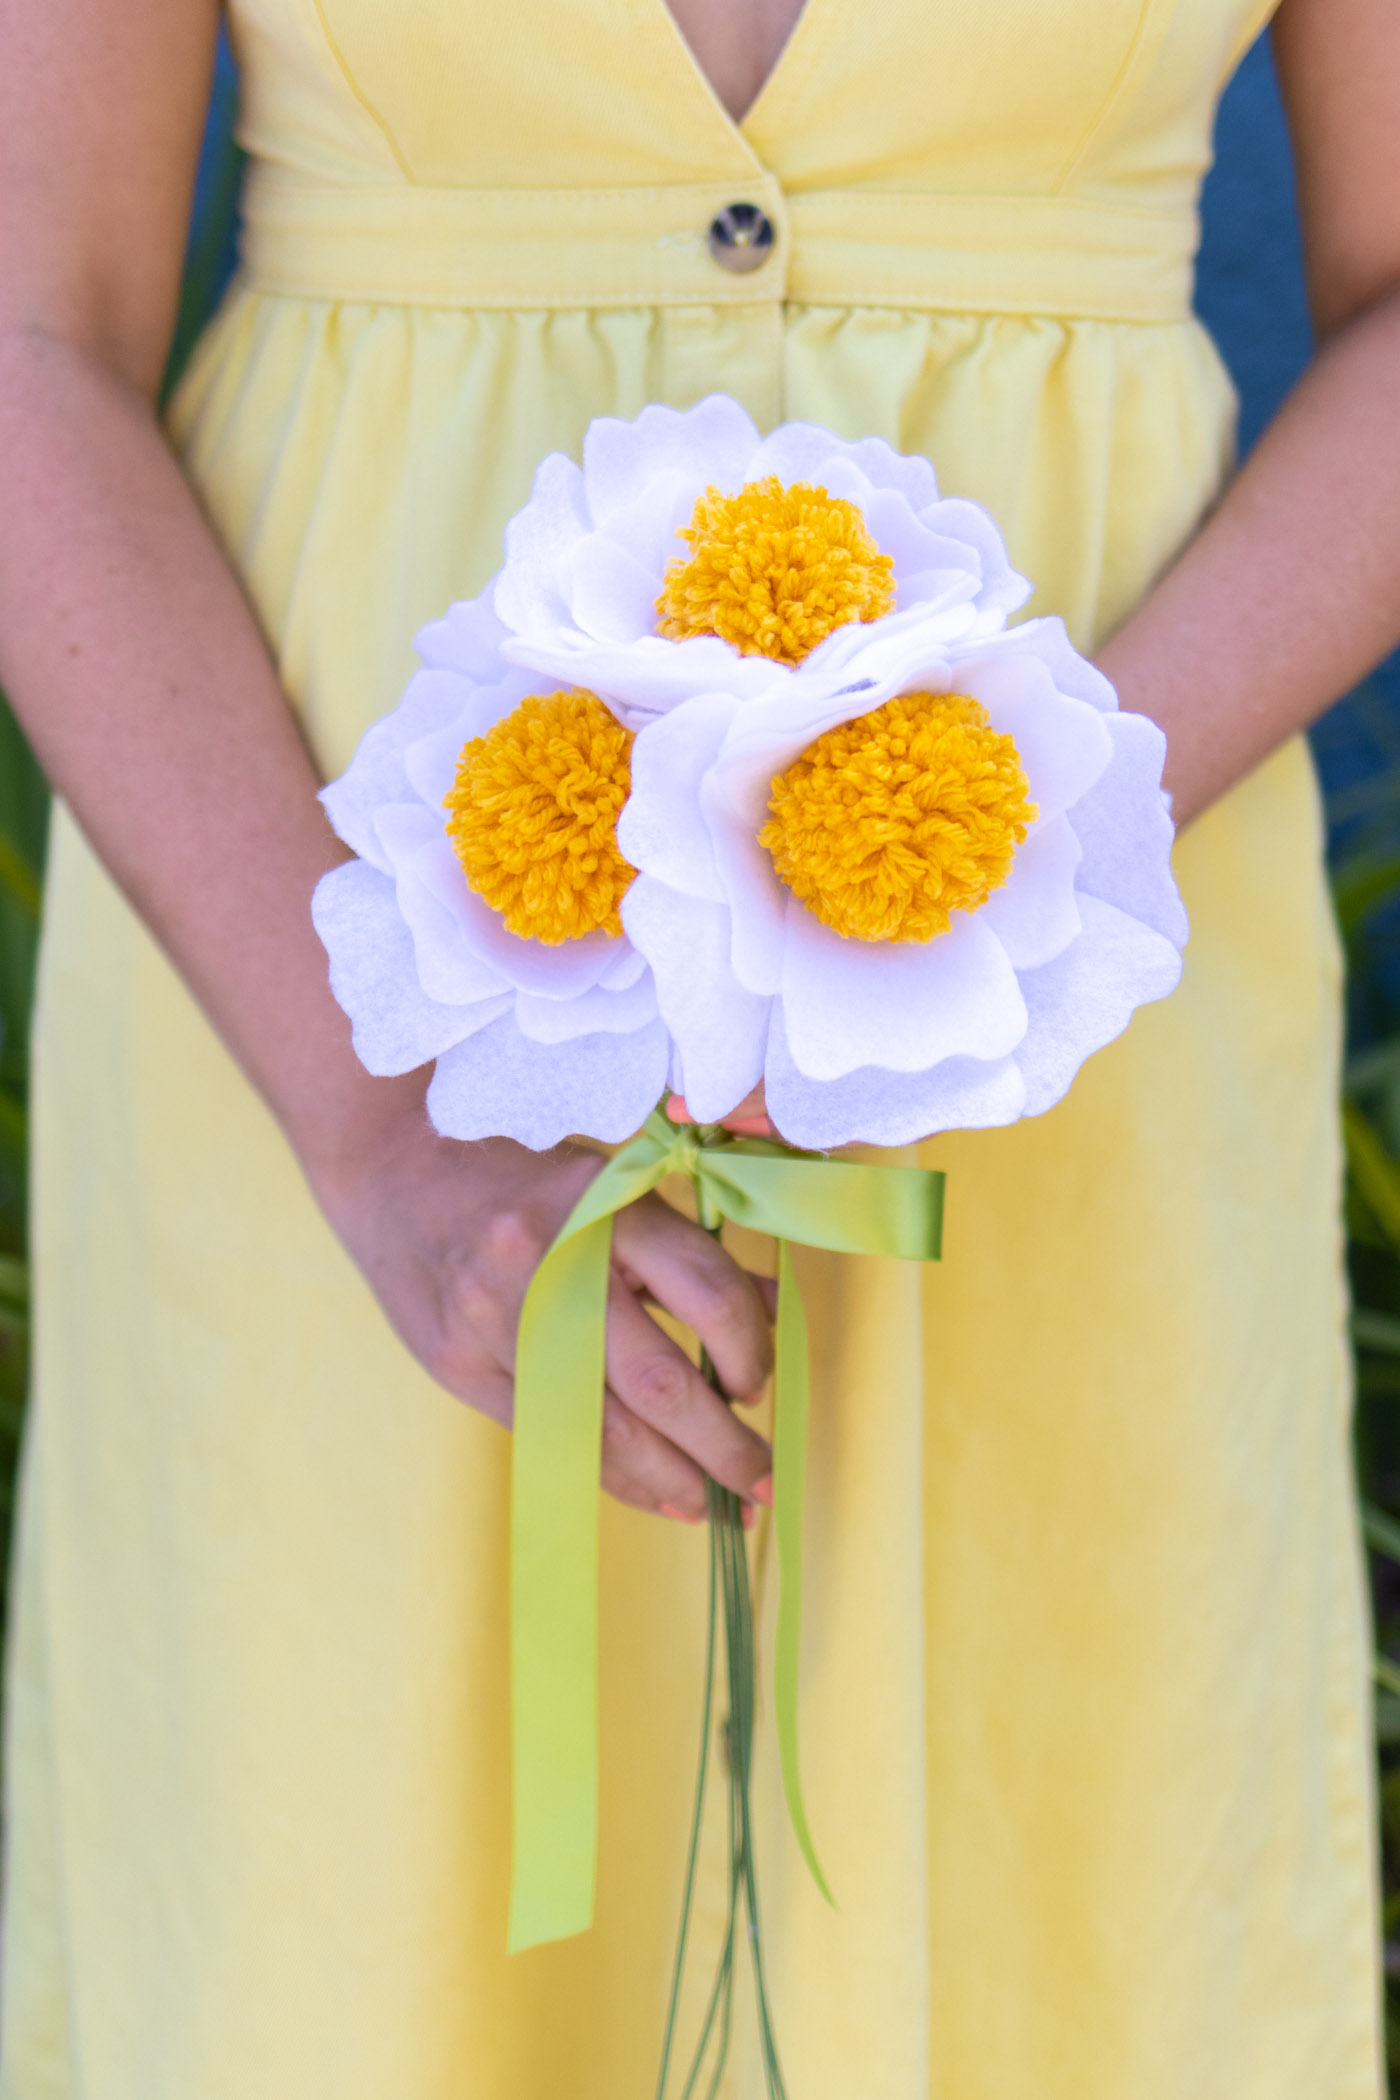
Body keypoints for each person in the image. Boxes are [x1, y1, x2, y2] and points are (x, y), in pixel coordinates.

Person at [0, 0, 1396, 2091]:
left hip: (1078, 1017)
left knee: (1067, 1930)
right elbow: (30, 330)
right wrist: (379, 1122)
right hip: (310, 962)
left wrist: (1012, 840)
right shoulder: (354, 1090)